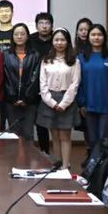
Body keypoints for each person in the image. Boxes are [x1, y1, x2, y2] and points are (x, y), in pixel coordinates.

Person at [38, 28, 81, 169]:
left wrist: (64, 103)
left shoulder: (74, 61)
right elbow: (42, 84)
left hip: (67, 100)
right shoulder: (46, 60)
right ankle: (57, 165)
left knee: (65, 136)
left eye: (62, 40)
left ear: (67, 42)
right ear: (52, 42)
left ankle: (65, 166)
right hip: (49, 100)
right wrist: (51, 102)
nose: (59, 43)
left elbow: (75, 84)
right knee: (55, 136)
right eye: (56, 40)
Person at [77, 24, 108, 150]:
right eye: (93, 35)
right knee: (92, 140)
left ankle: (103, 163)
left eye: (99, 35)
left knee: (104, 139)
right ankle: (93, 162)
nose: (96, 38)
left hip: (107, 107)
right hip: (88, 106)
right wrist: (81, 103)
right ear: (88, 37)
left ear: (104, 37)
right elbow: (78, 83)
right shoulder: (81, 58)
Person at [2, 23, 41, 140]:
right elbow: (5, 77)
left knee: (28, 133)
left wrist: (26, 98)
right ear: (12, 37)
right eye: (16, 34)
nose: (19, 36)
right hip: (11, 101)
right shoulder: (6, 55)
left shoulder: (35, 55)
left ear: (27, 36)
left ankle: (28, 154)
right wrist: (13, 97)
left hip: (30, 101)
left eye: (22, 34)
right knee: (14, 134)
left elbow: (35, 78)